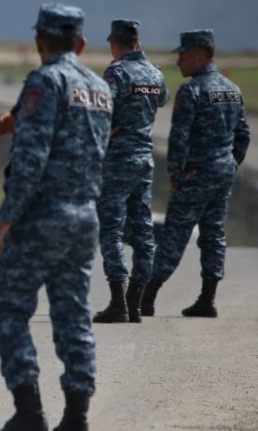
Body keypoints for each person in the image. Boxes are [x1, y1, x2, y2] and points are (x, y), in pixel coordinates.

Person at [0, 3, 112, 431]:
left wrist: (4, 218)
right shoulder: (98, 87)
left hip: (43, 215)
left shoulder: (45, 81)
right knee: (74, 316)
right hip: (84, 217)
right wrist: (18, 121)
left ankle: (29, 413)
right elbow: (77, 143)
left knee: (7, 311)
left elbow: (33, 160)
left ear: (39, 41)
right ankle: (77, 417)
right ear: (80, 43)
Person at [142, 29, 250, 318]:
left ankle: (147, 296)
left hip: (196, 174)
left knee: (175, 234)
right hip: (222, 173)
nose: (179, 61)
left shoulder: (192, 91)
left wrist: (177, 176)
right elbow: (243, 135)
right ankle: (208, 298)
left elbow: (178, 140)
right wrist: (230, 163)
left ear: (201, 56)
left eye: (184, 55)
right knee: (214, 234)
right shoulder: (232, 89)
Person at [93, 20, 169, 324]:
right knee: (142, 230)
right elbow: (161, 99)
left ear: (114, 43)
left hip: (118, 160)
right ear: (137, 42)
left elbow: (101, 109)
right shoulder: (155, 73)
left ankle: (117, 302)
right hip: (144, 159)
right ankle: (135, 302)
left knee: (110, 228)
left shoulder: (117, 73)